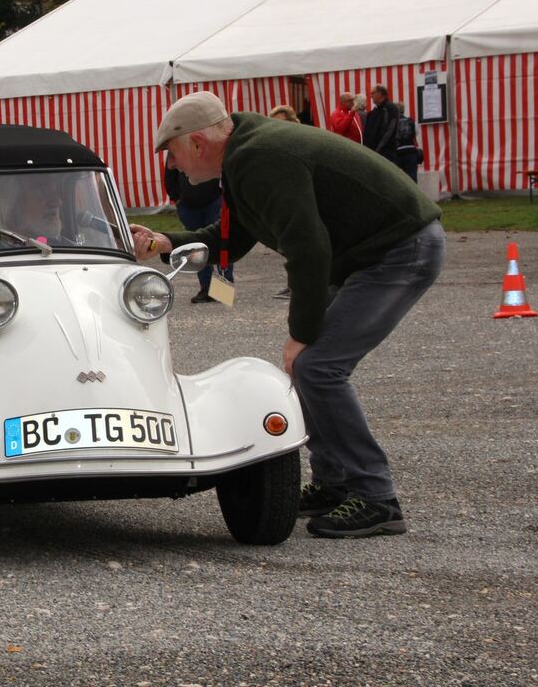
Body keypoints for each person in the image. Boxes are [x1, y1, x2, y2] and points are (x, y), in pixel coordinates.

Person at [130, 91, 444, 539]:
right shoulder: (244, 158)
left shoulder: (260, 158)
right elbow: (228, 241)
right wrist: (164, 241)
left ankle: (377, 497)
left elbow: (307, 248)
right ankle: (334, 484)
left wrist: (301, 333)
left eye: (173, 153)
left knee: (317, 366)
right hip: (374, 252)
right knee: (311, 367)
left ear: (198, 144)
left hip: (399, 249)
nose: (173, 166)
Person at [164, 166, 232, 304]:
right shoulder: (178, 148)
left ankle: (223, 290)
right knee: (196, 248)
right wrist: (176, 198)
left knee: (220, 242)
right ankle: (206, 288)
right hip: (188, 207)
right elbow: (169, 175)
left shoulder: (209, 145)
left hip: (213, 202)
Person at [266, 105, 300, 300]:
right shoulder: (271, 144)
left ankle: (298, 286)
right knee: (285, 246)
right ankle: (292, 285)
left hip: (296, 200)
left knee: (296, 245)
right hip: (280, 200)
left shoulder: (297, 141)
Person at [362, 85, 400, 163]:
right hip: (373, 152)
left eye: (373, 93)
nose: (371, 96)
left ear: (380, 94)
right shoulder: (374, 112)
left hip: (385, 153)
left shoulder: (390, 108)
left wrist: (379, 149)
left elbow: (390, 131)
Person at [394, 102, 422, 183]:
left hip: (397, 152)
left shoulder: (393, 122)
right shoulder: (411, 121)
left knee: (397, 179)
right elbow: (416, 133)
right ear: (403, 110)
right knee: (412, 177)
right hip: (410, 152)